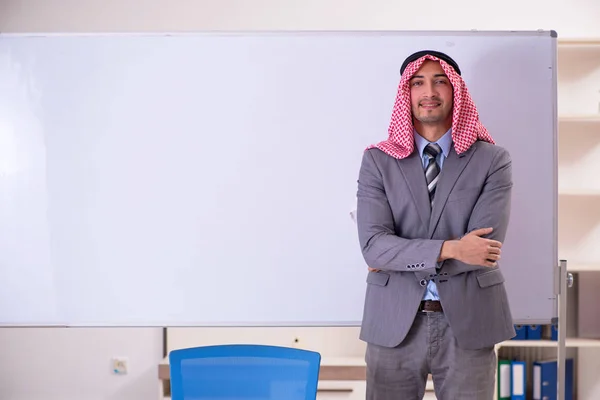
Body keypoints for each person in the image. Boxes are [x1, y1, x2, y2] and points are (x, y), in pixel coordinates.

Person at [355, 50, 516, 400]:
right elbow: (372, 246)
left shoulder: (492, 160)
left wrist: (398, 254)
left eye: (440, 81)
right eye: (418, 82)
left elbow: (483, 251)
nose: (429, 91)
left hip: (470, 321)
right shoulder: (377, 161)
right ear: (406, 93)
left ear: (456, 90)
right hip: (393, 321)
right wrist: (452, 248)